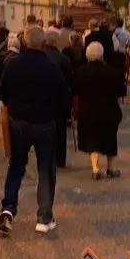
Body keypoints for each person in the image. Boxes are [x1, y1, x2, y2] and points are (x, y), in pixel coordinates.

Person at [0, 25, 68, 235]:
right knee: (45, 168)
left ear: (25, 42)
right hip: (44, 123)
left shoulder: (13, 65)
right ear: (43, 42)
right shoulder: (51, 67)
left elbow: (2, 93)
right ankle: (44, 216)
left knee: (16, 166)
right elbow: (63, 98)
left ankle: (8, 208)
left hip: (18, 123)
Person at [73, 42, 125, 180]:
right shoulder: (114, 72)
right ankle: (110, 168)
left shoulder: (80, 72)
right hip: (109, 111)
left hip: (88, 112)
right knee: (110, 139)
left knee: (92, 139)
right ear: (102, 55)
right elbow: (121, 91)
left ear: (87, 55)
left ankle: (95, 169)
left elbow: (75, 91)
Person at [43, 30, 74, 168]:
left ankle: (46, 158)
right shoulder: (63, 59)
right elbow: (70, 82)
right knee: (60, 131)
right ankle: (60, 159)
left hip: (42, 100)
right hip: (60, 101)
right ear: (55, 42)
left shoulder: (41, 57)